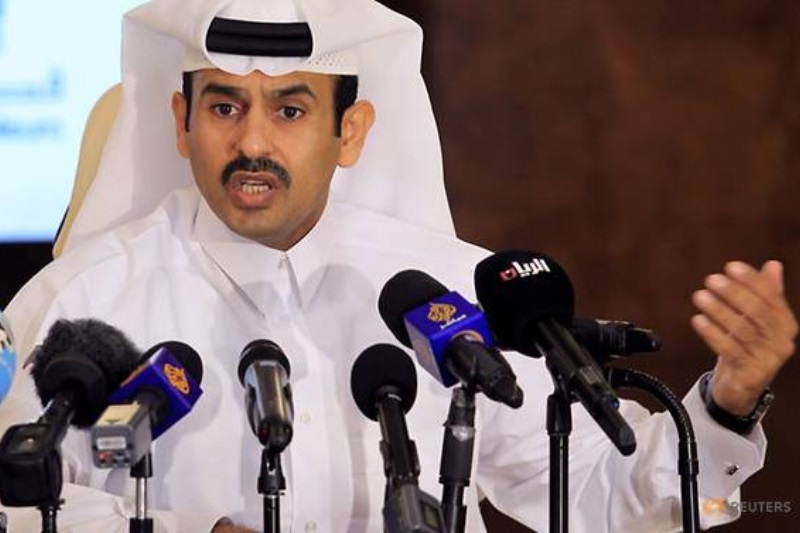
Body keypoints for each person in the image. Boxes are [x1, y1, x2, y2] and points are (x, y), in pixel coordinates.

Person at [0, 0, 795, 531]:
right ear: (181, 121)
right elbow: (15, 499)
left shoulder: (445, 296)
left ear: (350, 131)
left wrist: (728, 403)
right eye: (223, 106)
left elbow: (597, 492)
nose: (252, 142)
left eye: (290, 108)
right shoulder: (85, 303)